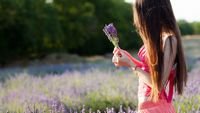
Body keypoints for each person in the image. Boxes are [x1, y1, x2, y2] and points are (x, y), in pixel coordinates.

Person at [112, 0, 187, 112]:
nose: (137, 19)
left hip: (157, 108)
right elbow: (148, 70)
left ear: (151, 12)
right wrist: (127, 58)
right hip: (145, 107)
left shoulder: (169, 40)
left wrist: (131, 65)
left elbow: (158, 85)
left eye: (140, 12)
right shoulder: (156, 39)